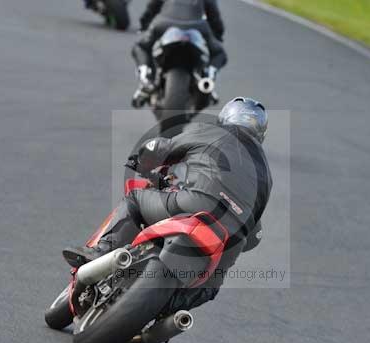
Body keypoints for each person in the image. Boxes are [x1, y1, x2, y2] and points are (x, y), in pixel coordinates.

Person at [63, 97, 272, 312]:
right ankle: (169, 310)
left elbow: (162, 147)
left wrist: (143, 161)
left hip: (195, 204)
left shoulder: (214, 133)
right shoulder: (266, 172)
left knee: (134, 199)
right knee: (211, 286)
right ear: (260, 132)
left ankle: (101, 251)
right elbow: (255, 228)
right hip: (233, 234)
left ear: (226, 117)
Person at [131, 0, 227, 107]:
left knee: (141, 47)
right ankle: (209, 77)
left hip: (164, 24)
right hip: (198, 26)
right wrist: (218, 34)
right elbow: (214, 16)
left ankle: (145, 78)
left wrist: (143, 24)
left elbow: (151, 8)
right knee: (219, 53)